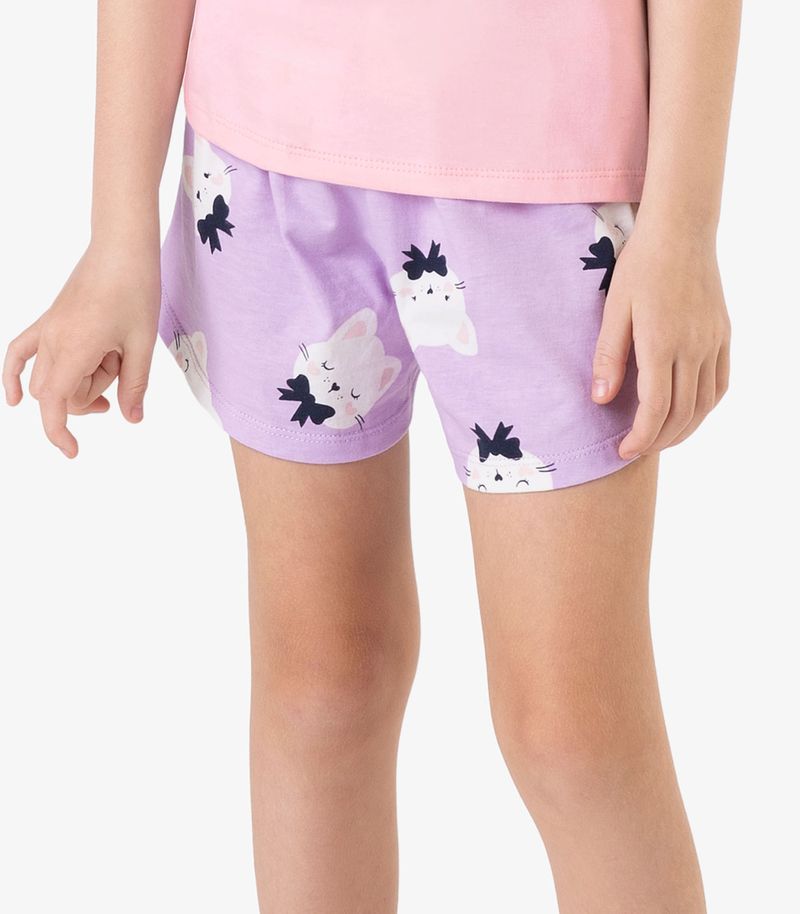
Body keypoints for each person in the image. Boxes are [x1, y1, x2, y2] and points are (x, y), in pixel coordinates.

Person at [2, 1, 741, 910]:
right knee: (321, 688)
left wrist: (685, 225)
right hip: (269, 166)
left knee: (573, 734)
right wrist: (116, 231)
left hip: (549, 181)